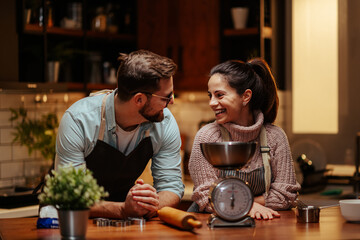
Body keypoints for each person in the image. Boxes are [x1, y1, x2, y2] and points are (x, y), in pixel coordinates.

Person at [55, 50, 184, 219]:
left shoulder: (164, 122)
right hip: (75, 222)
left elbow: (172, 186)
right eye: (166, 97)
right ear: (139, 100)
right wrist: (123, 209)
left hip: (124, 224)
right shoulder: (79, 120)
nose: (172, 101)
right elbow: (71, 197)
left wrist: (146, 204)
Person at [188, 58, 301, 220]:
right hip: (212, 226)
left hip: (264, 224)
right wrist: (249, 206)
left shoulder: (275, 137)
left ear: (246, 96)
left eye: (219, 95)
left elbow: (287, 194)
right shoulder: (207, 136)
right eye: (210, 95)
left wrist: (246, 204)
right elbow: (205, 197)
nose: (212, 103)